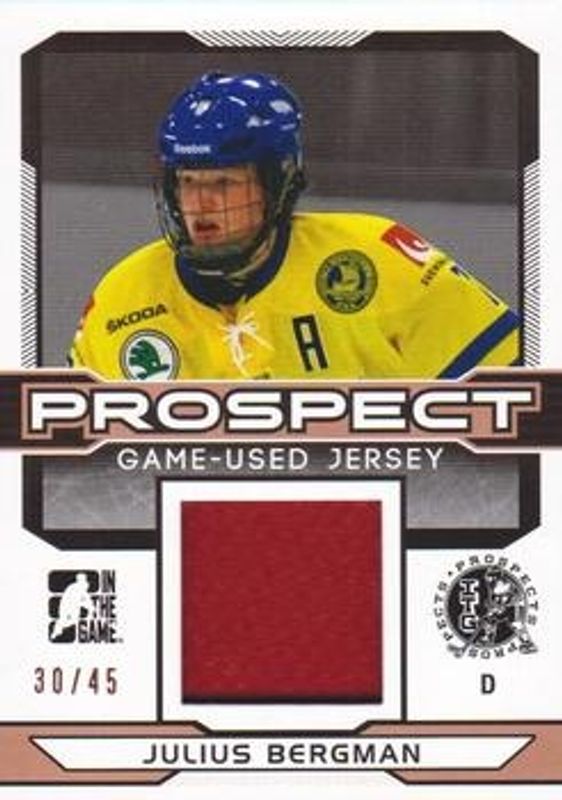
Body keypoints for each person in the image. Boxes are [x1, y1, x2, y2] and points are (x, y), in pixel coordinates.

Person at [68, 71, 519, 381]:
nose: (200, 205)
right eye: (187, 183)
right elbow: (70, 465)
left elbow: (516, 393)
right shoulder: (121, 298)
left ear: (278, 183)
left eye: (224, 183)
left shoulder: (378, 260)